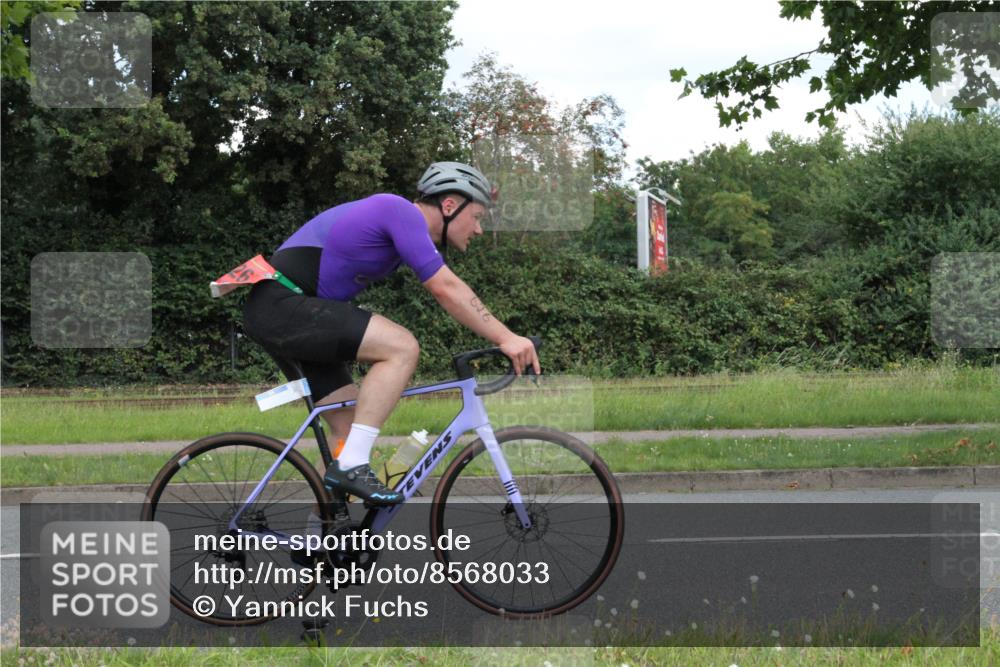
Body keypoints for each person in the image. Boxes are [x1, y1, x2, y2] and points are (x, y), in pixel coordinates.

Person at [242, 162, 541, 505]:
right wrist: (506, 337)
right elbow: (445, 287)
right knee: (401, 347)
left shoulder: (404, 229)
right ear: (449, 205)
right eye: (476, 216)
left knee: (347, 426)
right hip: (283, 304)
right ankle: (353, 465)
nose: (479, 229)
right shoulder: (398, 210)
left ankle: (324, 538)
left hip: (287, 310)